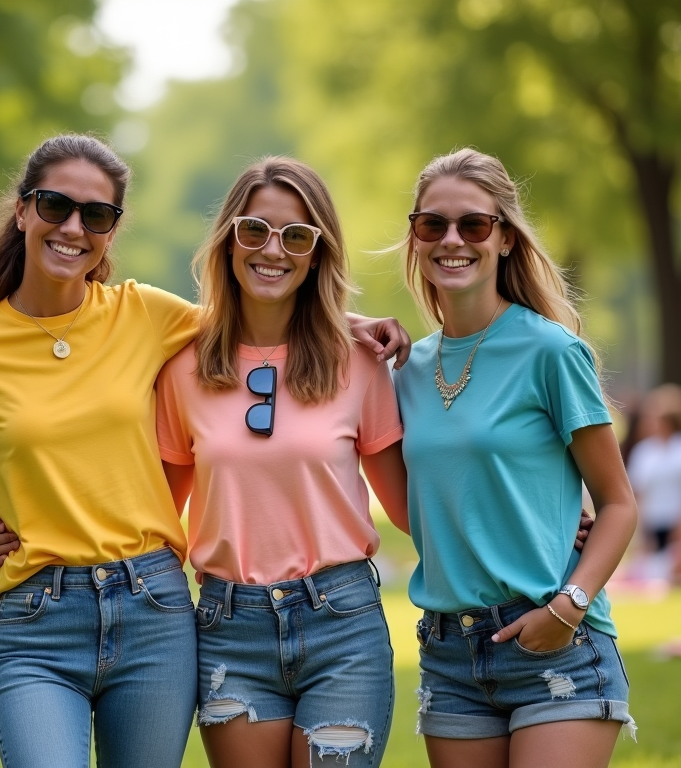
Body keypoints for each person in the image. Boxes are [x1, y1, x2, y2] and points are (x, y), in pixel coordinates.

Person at [0, 134, 410, 768]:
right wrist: (22, 521)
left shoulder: (151, 318)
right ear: (22, 209)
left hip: (221, 611)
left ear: (112, 231)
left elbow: (261, 316)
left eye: (97, 215)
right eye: (55, 205)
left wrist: (349, 322)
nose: (74, 227)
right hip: (76, 613)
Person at [154, 157, 410, 767]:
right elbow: (155, 515)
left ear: (318, 253)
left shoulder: (360, 362)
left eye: (296, 235)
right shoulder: (180, 366)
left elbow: (411, 508)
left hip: (341, 624)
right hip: (228, 629)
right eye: (255, 230)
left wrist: (558, 517)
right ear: (228, 241)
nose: (273, 249)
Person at [392, 148, 638, 768]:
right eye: (433, 225)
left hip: (555, 640)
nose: (453, 240)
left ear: (503, 238)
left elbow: (617, 503)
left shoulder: (551, 352)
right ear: (416, 238)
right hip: (449, 648)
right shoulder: (408, 369)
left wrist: (569, 606)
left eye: (473, 224)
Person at [627, 384, 681, 572]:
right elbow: (638, 494)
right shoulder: (643, 452)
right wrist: (642, 534)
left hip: (675, 522)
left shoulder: (678, 449)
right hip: (652, 524)